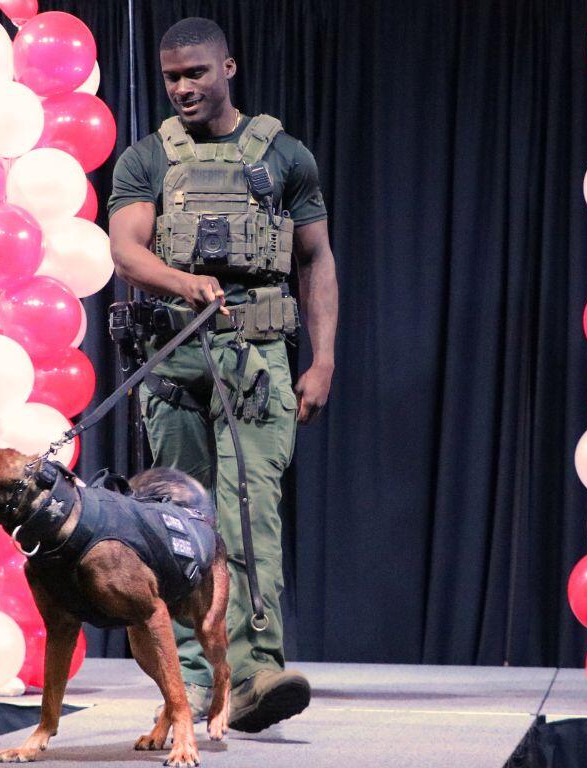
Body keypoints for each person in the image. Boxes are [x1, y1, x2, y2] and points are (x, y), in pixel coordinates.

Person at [107, 17, 338, 732]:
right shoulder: (146, 159)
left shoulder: (283, 157)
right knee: (178, 525)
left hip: (259, 359)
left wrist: (323, 359)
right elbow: (125, 248)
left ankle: (256, 674)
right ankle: (188, 686)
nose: (182, 87)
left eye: (196, 73)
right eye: (172, 76)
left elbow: (316, 259)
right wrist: (181, 282)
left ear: (227, 68)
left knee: (249, 515)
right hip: (174, 357)